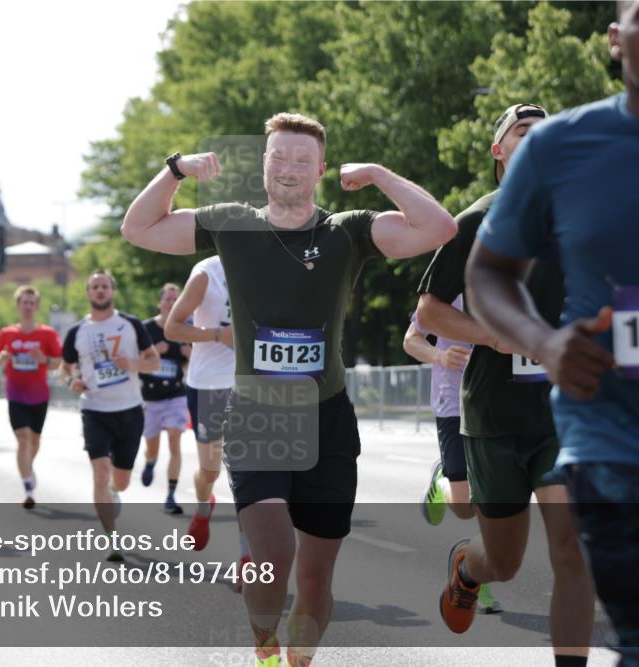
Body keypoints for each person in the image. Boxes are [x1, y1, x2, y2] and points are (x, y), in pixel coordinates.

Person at [121, 112, 456, 667]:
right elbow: (138, 228)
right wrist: (176, 169)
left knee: (317, 575)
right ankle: (264, 649)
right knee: (272, 553)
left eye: (303, 159)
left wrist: (377, 174)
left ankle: (299, 660)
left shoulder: (346, 231)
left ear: (321, 169)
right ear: (263, 164)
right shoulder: (231, 223)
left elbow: (438, 229)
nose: (290, 168)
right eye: (279, 156)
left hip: (327, 417)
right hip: (258, 413)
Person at [465, 3, 639, 664]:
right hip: (616, 437)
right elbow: (488, 274)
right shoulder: (559, 148)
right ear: (615, 40)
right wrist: (544, 342)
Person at [419, 104, 594, 666]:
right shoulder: (474, 222)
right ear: (499, 151)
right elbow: (429, 312)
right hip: (495, 417)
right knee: (506, 562)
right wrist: (496, 339)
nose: (536, 137)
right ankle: (468, 568)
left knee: (573, 552)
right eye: (522, 130)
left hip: (565, 416)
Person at [402, 299, 502, 614]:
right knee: (464, 506)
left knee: (492, 500)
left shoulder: (509, 281)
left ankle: (479, 578)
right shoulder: (446, 289)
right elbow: (410, 339)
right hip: (453, 404)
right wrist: (439, 355)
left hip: (498, 407)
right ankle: (442, 479)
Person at [58, 270, 159, 562]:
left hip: (129, 409)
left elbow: (153, 362)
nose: (100, 291)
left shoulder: (130, 324)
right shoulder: (78, 331)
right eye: (94, 287)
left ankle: (116, 489)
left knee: (122, 480)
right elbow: (63, 368)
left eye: (104, 286)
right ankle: (112, 539)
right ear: (88, 293)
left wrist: (133, 363)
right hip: (94, 409)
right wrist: (71, 382)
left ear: (111, 291)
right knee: (100, 472)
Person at [163, 256, 235, 546]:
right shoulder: (208, 272)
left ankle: (247, 557)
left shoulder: (270, 265)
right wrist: (219, 335)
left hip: (251, 382)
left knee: (247, 473)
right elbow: (173, 328)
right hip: (208, 385)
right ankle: (204, 507)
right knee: (210, 470)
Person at [0, 285, 63, 508]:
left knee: (34, 440)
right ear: (18, 305)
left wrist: (44, 359)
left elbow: (59, 362)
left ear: (37, 306)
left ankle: (28, 467)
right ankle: (28, 486)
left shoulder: (47, 334)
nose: (28, 307)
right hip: (16, 393)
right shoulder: (8, 333)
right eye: (24, 302)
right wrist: (1, 357)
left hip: (39, 395)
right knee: (22, 438)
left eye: (32, 303)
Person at [138, 283, 191, 515]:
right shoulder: (146, 328)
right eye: (167, 299)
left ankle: (171, 494)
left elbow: (193, 362)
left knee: (175, 442)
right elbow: (134, 360)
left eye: (175, 299)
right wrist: (153, 352)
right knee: (153, 448)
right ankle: (150, 462)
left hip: (176, 395)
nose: (171, 302)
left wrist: (189, 355)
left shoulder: (185, 328)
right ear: (160, 302)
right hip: (150, 397)